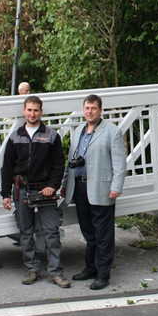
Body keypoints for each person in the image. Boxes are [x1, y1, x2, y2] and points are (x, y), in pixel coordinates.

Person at [0, 95, 70, 287]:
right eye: (29, 110)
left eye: (36, 110)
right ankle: (32, 269)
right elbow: (7, 167)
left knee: (51, 232)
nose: (32, 114)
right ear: (24, 111)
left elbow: (58, 165)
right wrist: (5, 194)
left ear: (41, 112)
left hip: (45, 191)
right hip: (22, 190)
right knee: (25, 231)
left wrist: (52, 186)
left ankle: (56, 272)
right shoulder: (15, 137)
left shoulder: (51, 136)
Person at [63, 94, 126, 290]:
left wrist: (116, 186)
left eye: (93, 108)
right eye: (87, 108)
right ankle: (90, 268)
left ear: (100, 110)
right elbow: (70, 161)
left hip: (102, 188)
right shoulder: (78, 132)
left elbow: (120, 163)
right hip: (80, 187)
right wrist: (65, 184)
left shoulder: (112, 131)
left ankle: (102, 275)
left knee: (103, 234)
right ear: (83, 110)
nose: (89, 111)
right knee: (88, 232)